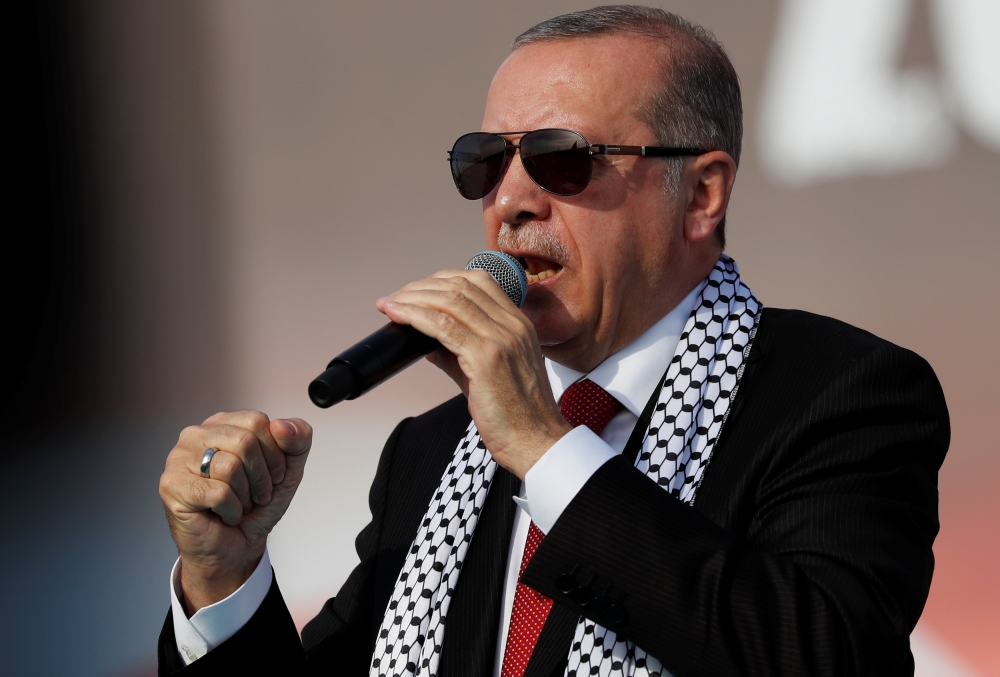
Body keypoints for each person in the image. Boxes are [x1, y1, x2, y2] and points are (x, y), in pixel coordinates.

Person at [156, 7, 949, 676]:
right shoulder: (434, 454)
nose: (510, 200)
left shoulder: (840, 394)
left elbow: (821, 651)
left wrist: (545, 447)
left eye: (562, 159)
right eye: (484, 162)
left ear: (702, 193)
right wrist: (222, 580)